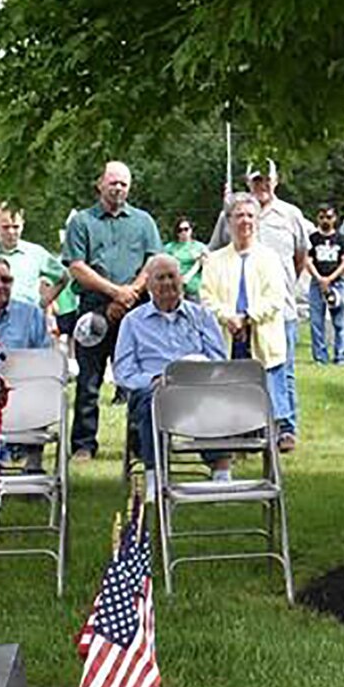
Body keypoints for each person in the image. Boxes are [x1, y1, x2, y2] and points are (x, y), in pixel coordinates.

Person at [63, 161, 164, 459]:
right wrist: (115, 293)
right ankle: (83, 445)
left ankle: (138, 444)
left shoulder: (144, 222)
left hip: (136, 308)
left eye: (123, 184)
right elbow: (76, 266)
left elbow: (153, 262)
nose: (118, 188)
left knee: (138, 378)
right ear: (100, 185)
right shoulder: (82, 222)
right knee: (89, 379)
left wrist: (130, 293)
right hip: (93, 308)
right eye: (113, 183)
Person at [114, 254, 231, 483]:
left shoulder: (203, 316)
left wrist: (197, 373)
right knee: (151, 399)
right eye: (160, 278)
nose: (167, 283)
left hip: (197, 388)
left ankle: (221, 474)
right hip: (154, 391)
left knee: (218, 394)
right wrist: (155, 380)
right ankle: (154, 478)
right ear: (148, 284)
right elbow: (124, 373)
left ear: (181, 280)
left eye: (172, 276)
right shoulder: (132, 322)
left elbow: (219, 361)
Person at [200, 193, 296, 444]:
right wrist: (228, 317)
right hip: (228, 336)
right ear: (229, 221)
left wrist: (248, 317)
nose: (245, 221)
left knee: (270, 389)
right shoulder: (214, 260)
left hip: (261, 335)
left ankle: (278, 434)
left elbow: (275, 298)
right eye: (239, 215)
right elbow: (207, 298)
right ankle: (232, 434)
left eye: (250, 216)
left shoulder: (270, 258)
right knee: (230, 388)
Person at [306, 205, 344, 365]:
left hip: (337, 283)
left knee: (339, 321)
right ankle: (320, 356)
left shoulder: (341, 239)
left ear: (335, 219)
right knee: (316, 321)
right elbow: (308, 260)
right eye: (322, 217)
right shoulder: (313, 239)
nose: (325, 220)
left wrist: (330, 279)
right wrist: (319, 279)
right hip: (316, 283)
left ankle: (341, 355)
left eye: (329, 217)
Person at [161, 216, 209, 302]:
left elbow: (209, 266)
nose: (183, 232)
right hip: (174, 289)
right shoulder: (169, 247)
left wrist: (200, 259)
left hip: (194, 289)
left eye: (186, 229)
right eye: (180, 230)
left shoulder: (200, 247)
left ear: (191, 230)